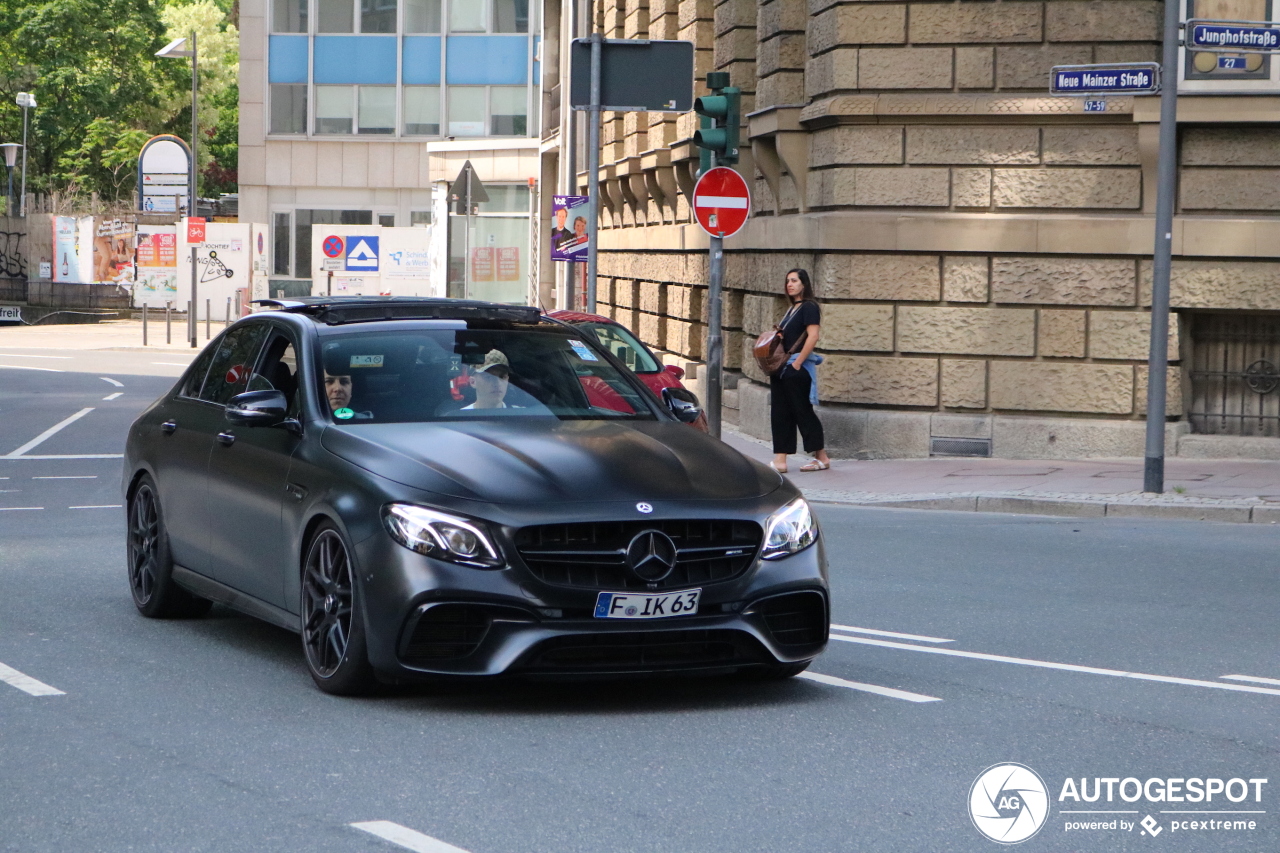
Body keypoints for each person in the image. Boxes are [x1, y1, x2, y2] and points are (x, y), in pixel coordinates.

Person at [770, 268, 831, 474]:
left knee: (802, 412)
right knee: (780, 412)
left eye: (794, 280)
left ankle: (821, 457)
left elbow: (813, 336)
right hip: (781, 368)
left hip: (795, 368)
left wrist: (798, 363)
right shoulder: (792, 309)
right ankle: (780, 459)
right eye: (788, 281)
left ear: (804, 284)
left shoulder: (809, 307)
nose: (790, 284)